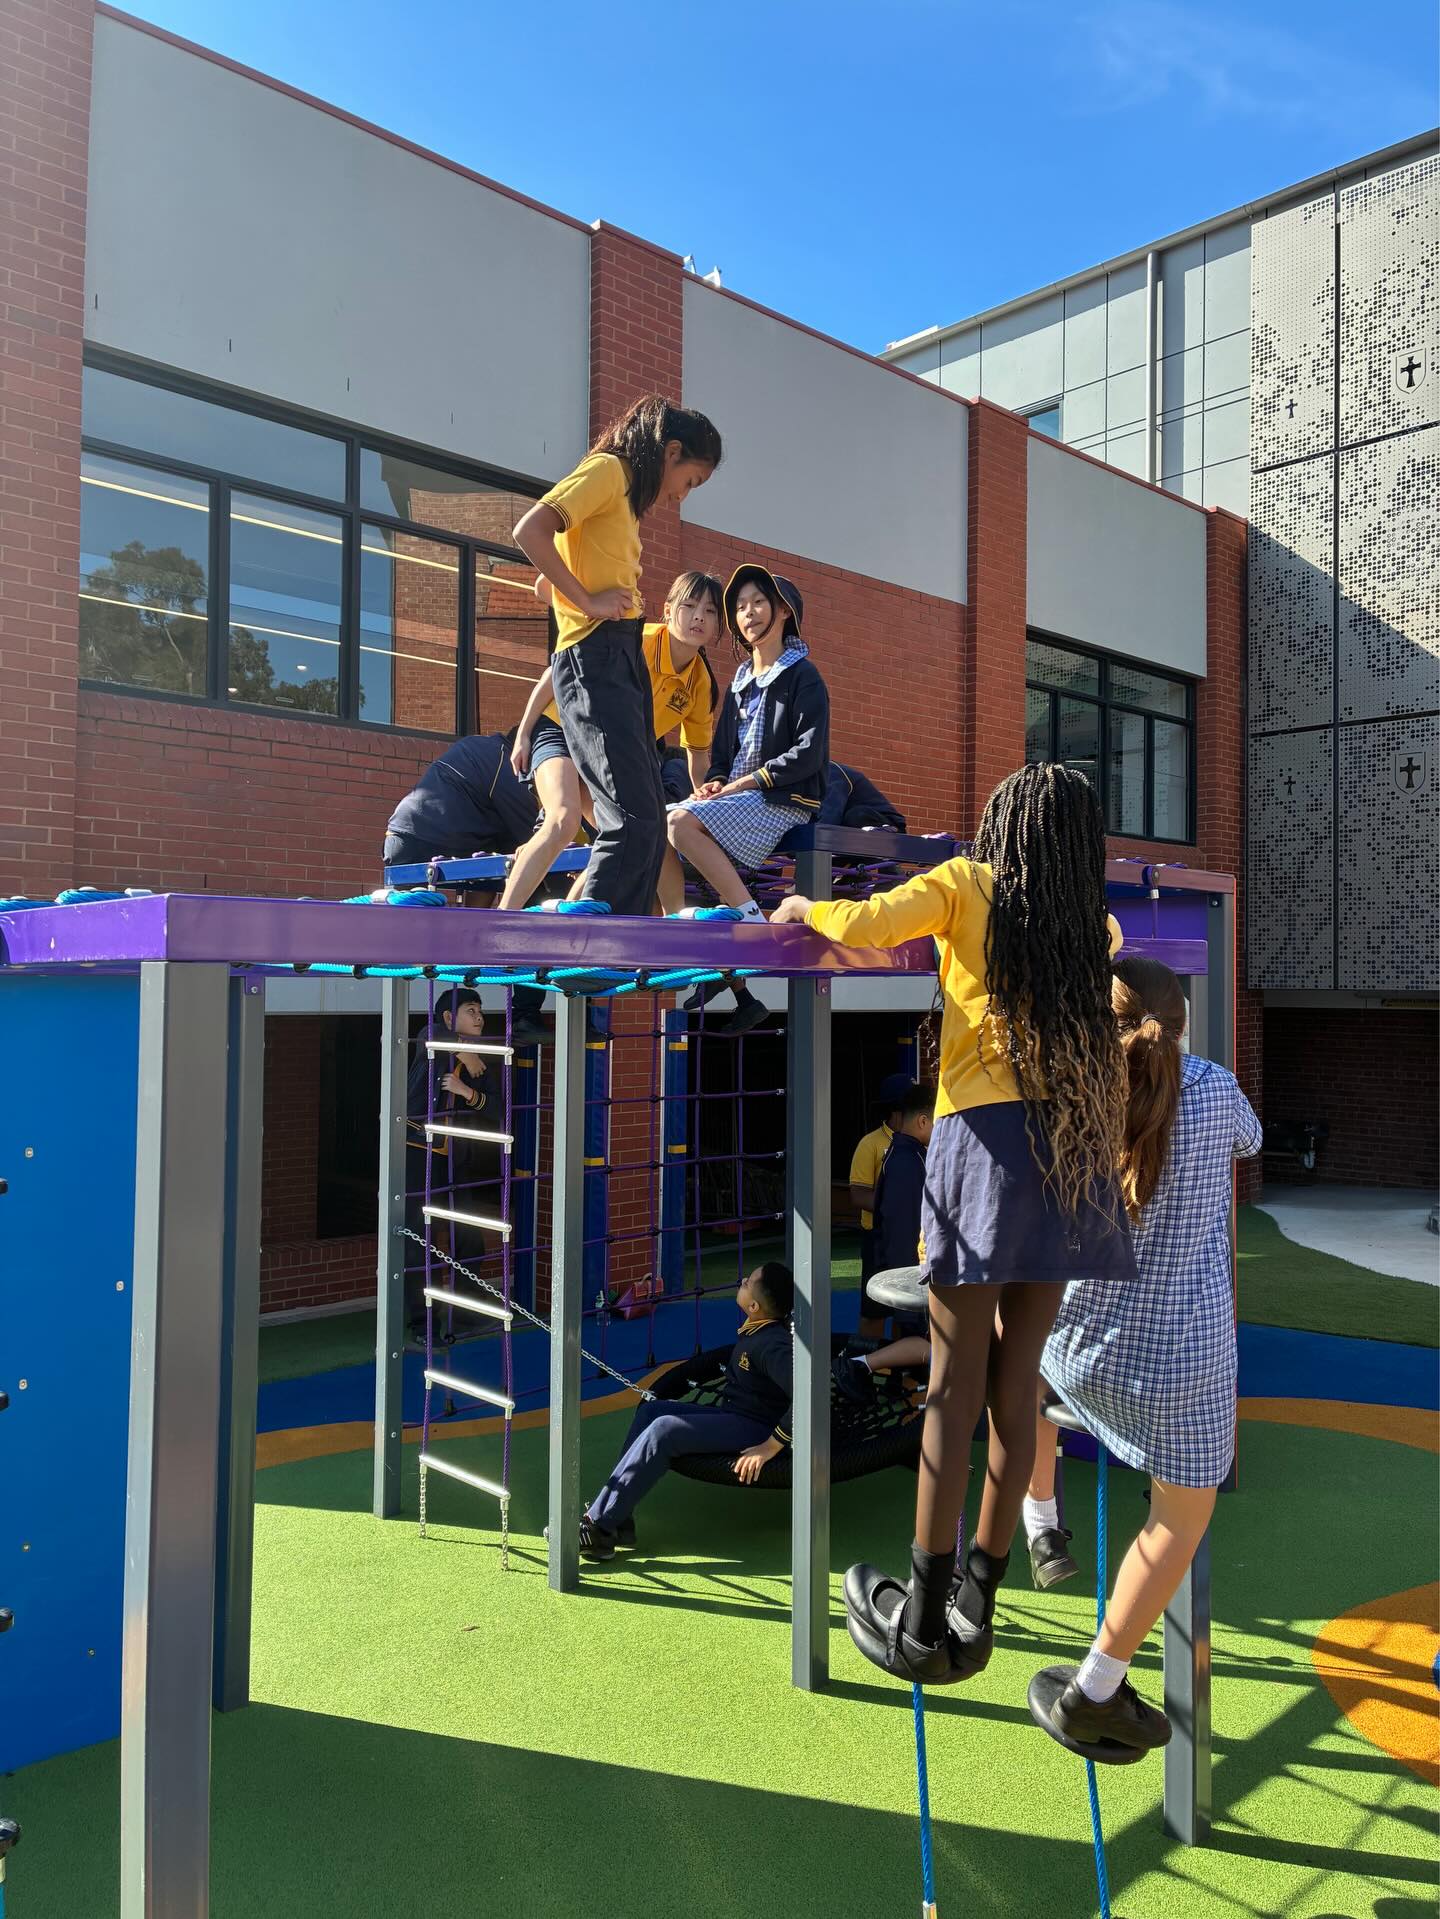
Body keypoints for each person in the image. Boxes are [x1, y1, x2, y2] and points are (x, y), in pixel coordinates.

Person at [774, 763, 1135, 1685]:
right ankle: (980, 1597)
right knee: (1021, 1387)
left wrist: (799, 913)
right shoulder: (1096, 929)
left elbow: (868, 923)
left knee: (951, 1386)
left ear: (1003, 826)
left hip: (981, 1148)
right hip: (1067, 1153)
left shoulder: (967, 884)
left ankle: (922, 1620)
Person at [1025, 957, 1262, 1754]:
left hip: (1079, 1349)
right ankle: (1096, 1684)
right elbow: (1251, 1138)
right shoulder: (1216, 1088)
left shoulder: (1076, 1092)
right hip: (1180, 1362)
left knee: (1019, 1369)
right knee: (1179, 1520)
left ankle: (1039, 1515)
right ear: (1182, 1022)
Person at [512, 396, 722, 917]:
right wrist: (585, 603)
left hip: (618, 654)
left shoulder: (625, 496)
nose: (681, 496)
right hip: (595, 655)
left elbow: (546, 580)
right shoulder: (608, 471)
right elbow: (529, 531)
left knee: (648, 813)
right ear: (671, 452)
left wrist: (580, 596)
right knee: (630, 814)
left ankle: (613, 930)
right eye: (690, 481)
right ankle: (589, 939)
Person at [504, 571, 723, 916]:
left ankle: (673, 924)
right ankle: (501, 921)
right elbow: (563, 666)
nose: (698, 616)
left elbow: (697, 755)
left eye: (710, 611)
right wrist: (524, 732)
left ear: (717, 627)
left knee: (644, 829)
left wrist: (703, 796)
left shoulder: (700, 684)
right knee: (563, 819)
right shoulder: (639, 640)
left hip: (608, 749)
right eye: (689, 605)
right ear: (667, 611)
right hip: (561, 728)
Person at [575, 1262, 795, 1561]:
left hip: (758, 1427)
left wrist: (772, 1445)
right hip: (739, 1414)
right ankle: (618, 1517)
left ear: (754, 1305)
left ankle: (599, 1529)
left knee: (664, 1431)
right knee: (653, 1412)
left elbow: (811, 1395)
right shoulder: (758, 1329)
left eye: (748, 1282)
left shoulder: (773, 1346)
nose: (742, 1280)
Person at [667, 565, 830, 928]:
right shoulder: (740, 680)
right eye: (740, 607)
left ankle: (748, 913)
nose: (748, 613)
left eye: (758, 602)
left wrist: (742, 783)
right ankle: (673, 918)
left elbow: (809, 752)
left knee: (679, 823)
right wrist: (716, 780)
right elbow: (722, 755)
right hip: (740, 797)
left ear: (784, 610)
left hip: (783, 800)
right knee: (656, 822)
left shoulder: (803, 675)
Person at [383, 736, 546, 1042]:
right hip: (429, 842)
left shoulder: (479, 755)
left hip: (405, 836)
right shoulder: (505, 762)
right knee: (538, 887)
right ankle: (525, 1011)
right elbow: (540, 840)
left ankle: (470, 945)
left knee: (503, 869)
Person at [404, 988, 501, 1310]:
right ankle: (420, 1318)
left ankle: (465, 1306)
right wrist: (461, 1050)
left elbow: (499, 1108)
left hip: (456, 1160)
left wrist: (467, 1093)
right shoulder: (430, 1044)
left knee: (470, 1238)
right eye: (471, 1010)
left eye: (479, 1011)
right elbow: (427, 1031)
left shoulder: (482, 1062)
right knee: (419, 1242)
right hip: (418, 1155)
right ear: (449, 1017)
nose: (480, 1017)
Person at [383, 732, 538, 870]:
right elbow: (532, 834)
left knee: (492, 851)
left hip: (397, 836)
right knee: (495, 860)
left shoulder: (475, 743)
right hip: (430, 839)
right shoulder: (507, 764)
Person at [849, 1072, 912, 1333]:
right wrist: (896, 1205)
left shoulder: (920, 1144)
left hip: (910, 1237)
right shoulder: (871, 1144)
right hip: (878, 1239)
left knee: (907, 1311)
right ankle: (866, 1367)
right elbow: (858, 1194)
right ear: (898, 1111)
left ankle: (900, 1369)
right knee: (874, 1311)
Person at [869, 1081, 935, 1328]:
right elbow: (902, 1227)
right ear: (922, 1121)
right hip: (908, 1271)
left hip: (910, 1270)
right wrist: (913, 1283)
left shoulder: (911, 1154)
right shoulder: (906, 1162)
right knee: (912, 1335)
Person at [818, 762, 908, 833]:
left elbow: (829, 815)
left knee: (855, 815)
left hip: (889, 824)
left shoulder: (832, 771)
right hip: (855, 825)